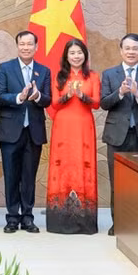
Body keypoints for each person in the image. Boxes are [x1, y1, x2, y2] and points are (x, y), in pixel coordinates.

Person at [101, 33, 138, 236]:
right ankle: (118, 223)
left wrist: (136, 93)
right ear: (121, 50)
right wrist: (120, 93)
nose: (131, 52)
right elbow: (104, 103)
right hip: (117, 135)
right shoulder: (110, 74)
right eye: (127, 48)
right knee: (117, 182)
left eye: (135, 48)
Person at [0, 30, 51, 234]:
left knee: (28, 176)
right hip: (10, 131)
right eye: (22, 44)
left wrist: (37, 96)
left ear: (36, 47)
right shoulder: (5, 68)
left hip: (33, 131)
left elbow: (48, 99)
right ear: (17, 46)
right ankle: (12, 218)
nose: (26, 47)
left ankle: (27, 217)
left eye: (30, 44)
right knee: (11, 176)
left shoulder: (43, 71)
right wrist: (19, 97)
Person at [46, 39, 100, 235]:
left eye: (79, 53)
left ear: (85, 55)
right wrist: (68, 95)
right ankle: (60, 219)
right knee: (62, 165)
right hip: (63, 126)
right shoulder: (59, 77)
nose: (76, 56)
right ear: (66, 57)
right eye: (72, 53)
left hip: (84, 125)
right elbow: (53, 103)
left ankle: (84, 221)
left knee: (83, 164)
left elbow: (96, 103)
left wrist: (82, 96)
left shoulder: (92, 76)